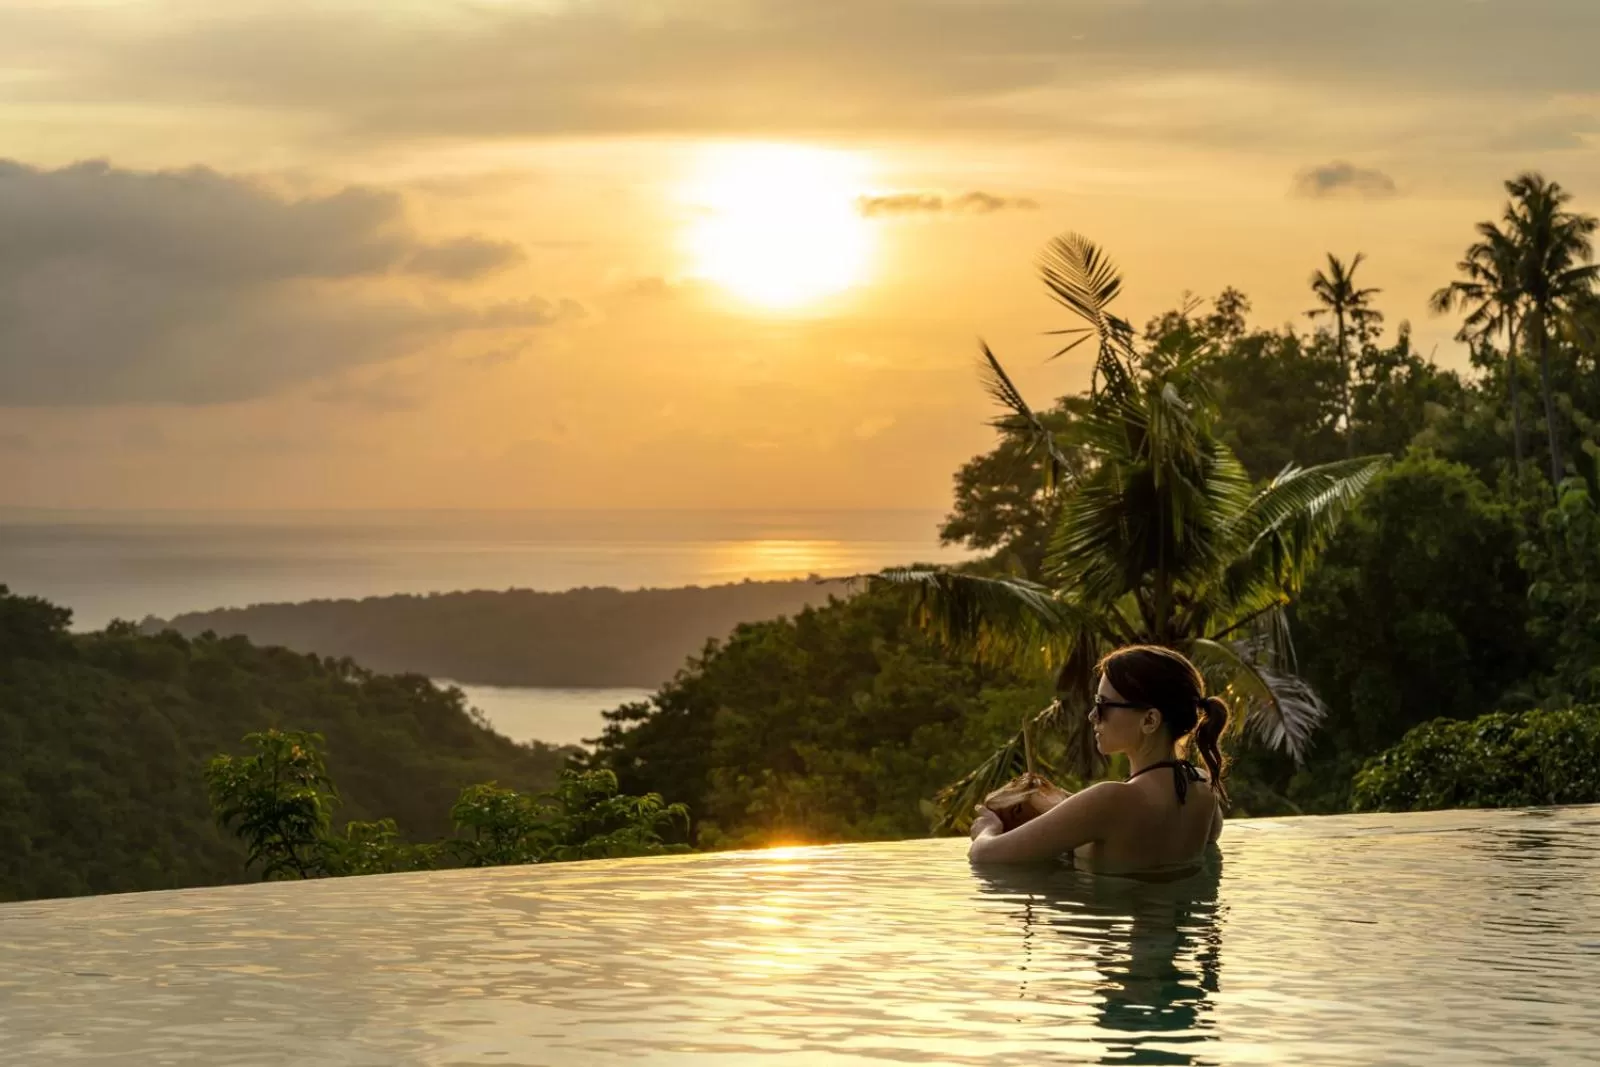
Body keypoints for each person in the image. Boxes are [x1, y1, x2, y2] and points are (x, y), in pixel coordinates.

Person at [968, 645, 1228, 873]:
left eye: (1103, 705)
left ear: (1149, 720)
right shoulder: (1203, 786)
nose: (1093, 716)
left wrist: (986, 828)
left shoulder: (1109, 800)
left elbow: (984, 857)